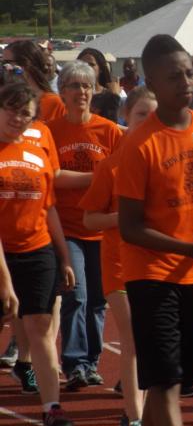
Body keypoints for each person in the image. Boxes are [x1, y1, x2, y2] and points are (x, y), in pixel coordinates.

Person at [115, 34, 193, 426]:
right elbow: (130, 227)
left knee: (176, 381)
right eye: (174, 76)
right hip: (151, 274)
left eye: (190, 73)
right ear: (151, 83)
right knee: (163, 381)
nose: (186, 82)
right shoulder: (139, 143)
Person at [79, 86, 156, 426]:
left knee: (155, 343)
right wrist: (122, 219)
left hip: (159, 266)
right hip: (121, 266)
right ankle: (137, 418)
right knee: (134, 339)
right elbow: (91, 219)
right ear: (126, 117)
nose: (149, 122)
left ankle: (140, 411)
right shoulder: (110, 166)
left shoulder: (162, 164)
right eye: (142, 115)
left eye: (154, 115)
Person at [0, 82, 76, 426]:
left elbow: (49, 207)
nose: (19, 119)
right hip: (3, 251)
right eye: (13, 111)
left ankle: (52, 409)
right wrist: (5, 283)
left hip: (37, 250)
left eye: (26, 114)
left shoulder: (40, 144)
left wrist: (64, 257)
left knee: (41, 328)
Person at [49, 60, 124, 391]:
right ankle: (75, 362)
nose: (81, 92)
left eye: (87, 86)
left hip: (102, 227)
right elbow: (54, 176)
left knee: (97, 299)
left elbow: (120, 175)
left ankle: (90, 363)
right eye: (75, 86)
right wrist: (97, 178)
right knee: (75, 295)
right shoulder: (50, 130)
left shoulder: (108, 130)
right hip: (68, 227)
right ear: (62, 91)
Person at [3, 40, 65, 124]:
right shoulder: (5, 100)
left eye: (7, 63)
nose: (4, 68)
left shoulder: (54, 103)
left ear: (25, 64)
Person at [78, 48, 122, 123]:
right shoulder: (72, 93)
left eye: (91, 64)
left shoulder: (111, 94)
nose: (87, 68)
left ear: (101, 68)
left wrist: (114, 97)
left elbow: (112, 124)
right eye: (83, 64)